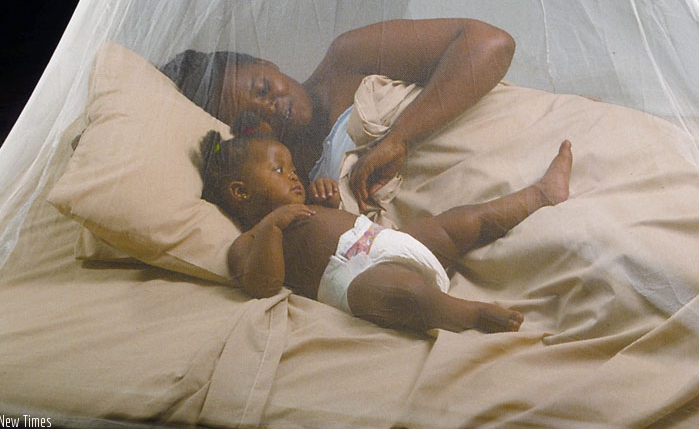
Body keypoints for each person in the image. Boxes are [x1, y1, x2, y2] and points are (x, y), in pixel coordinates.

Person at [198, 114, 574, 334]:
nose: (295, 176)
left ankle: (540, 195)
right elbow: (262, 286)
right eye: (280, 170)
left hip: (380, 238)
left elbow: (332, 222)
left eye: (294, 167)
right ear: (240, 192)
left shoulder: (304, 204)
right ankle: (471, 313)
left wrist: (328, 201)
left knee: (458, 222)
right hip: (352, 280)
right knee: (410, 296)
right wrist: (272, 229)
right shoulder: (248, 240)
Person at [163, 18, 516, 211]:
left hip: (513, 140)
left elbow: (490, 43)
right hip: (484, 210)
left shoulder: (347, 59)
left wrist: (399, 140)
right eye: (254, 117)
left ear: (267, 64)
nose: (272, 107)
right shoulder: (291, 186)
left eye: (263, 88)